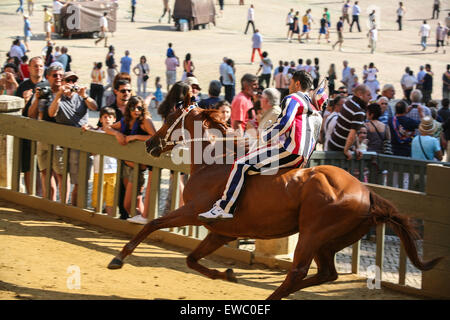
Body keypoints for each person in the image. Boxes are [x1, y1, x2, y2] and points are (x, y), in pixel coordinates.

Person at [198, 70, 323, 220]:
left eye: (290, 83)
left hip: (291, 150)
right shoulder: (313, 105)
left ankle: (225, 207)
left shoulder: (292, 98)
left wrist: (264, 136)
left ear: (297, 83)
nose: (288, 87)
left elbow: (285, 122)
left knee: (241, 164)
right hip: (304, 155)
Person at [48, 71, 98, 206]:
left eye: (73, 80)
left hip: (82, 143)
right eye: (68, 80)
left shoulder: (82, 97)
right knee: (63, 178)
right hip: (63, 144)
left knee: (80, 181)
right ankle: (63, 207)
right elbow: (51, 113)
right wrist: (59, 94)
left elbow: (95, 107)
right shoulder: (57, 97)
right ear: (62, 82)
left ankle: (76, 207)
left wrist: (85, 96)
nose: (71, 83)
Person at [105, 96, 156, 224]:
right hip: (126, 166)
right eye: (133, 107)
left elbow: (155, 137)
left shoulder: (145, 121)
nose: (136, 110)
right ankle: (143, 223)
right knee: (136, 201)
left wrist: (135, 137)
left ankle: (145, 223)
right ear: (129, 109)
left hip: (138, 168)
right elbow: (107, 127)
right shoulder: (126, 121)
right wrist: (117, 134)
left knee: (128, 205)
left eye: (139, 107)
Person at [28, 65, 68, 202]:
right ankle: (48, 203)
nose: (58, 78)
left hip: (60, 139)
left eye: (61, 75)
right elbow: (31, 115)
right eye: (55, 75)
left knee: (61, 174)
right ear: (48, 77)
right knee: (45, 172)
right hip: (43, 138)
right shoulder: (44, 92)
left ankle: (63, 206)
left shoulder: (67, 93)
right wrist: (37, 98)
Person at [15, 56, 45, 195]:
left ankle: (42, 197)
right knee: (28, 167)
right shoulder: (23, 86)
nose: (38, 68)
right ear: (29, 68)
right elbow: (17, 112)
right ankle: (30, 195)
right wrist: (25, 101)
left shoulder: (48, 85)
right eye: (35, 66)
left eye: (40, 66)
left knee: (43, 168)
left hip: (43, 133)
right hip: (26, 133)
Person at [81, 107, 118, 216]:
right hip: (99, 170)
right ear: (101, 119)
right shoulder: (96, 131)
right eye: (105, 117)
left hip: (113, 170)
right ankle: (97, 216)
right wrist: (87, 127)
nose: (107, 119)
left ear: (114, 119)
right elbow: (88, 130)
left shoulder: (117, 133)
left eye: (110, 117)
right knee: (97, 195)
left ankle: (110, 219)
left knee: (111, 198)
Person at [328, 84, 372, 160]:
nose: (371, 98)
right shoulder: (358, 112)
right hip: (339, 150)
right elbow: (352, 134)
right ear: (360, 95)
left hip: (332, 144)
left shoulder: (348, 102)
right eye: (368, 95)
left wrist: (356, 148)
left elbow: (349, 129)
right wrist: (346, 150)